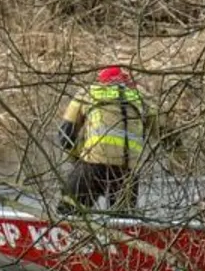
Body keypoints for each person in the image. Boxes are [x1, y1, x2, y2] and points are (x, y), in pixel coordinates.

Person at [57, 65, 150, 209]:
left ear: (101, 81)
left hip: (93, 165)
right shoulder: (141, 96)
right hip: (128, 172)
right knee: (124, 225)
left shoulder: (88, 92)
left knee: (68, 212)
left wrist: (75, 160)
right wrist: (180, 163)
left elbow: (66, 134)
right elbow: (168, 133)